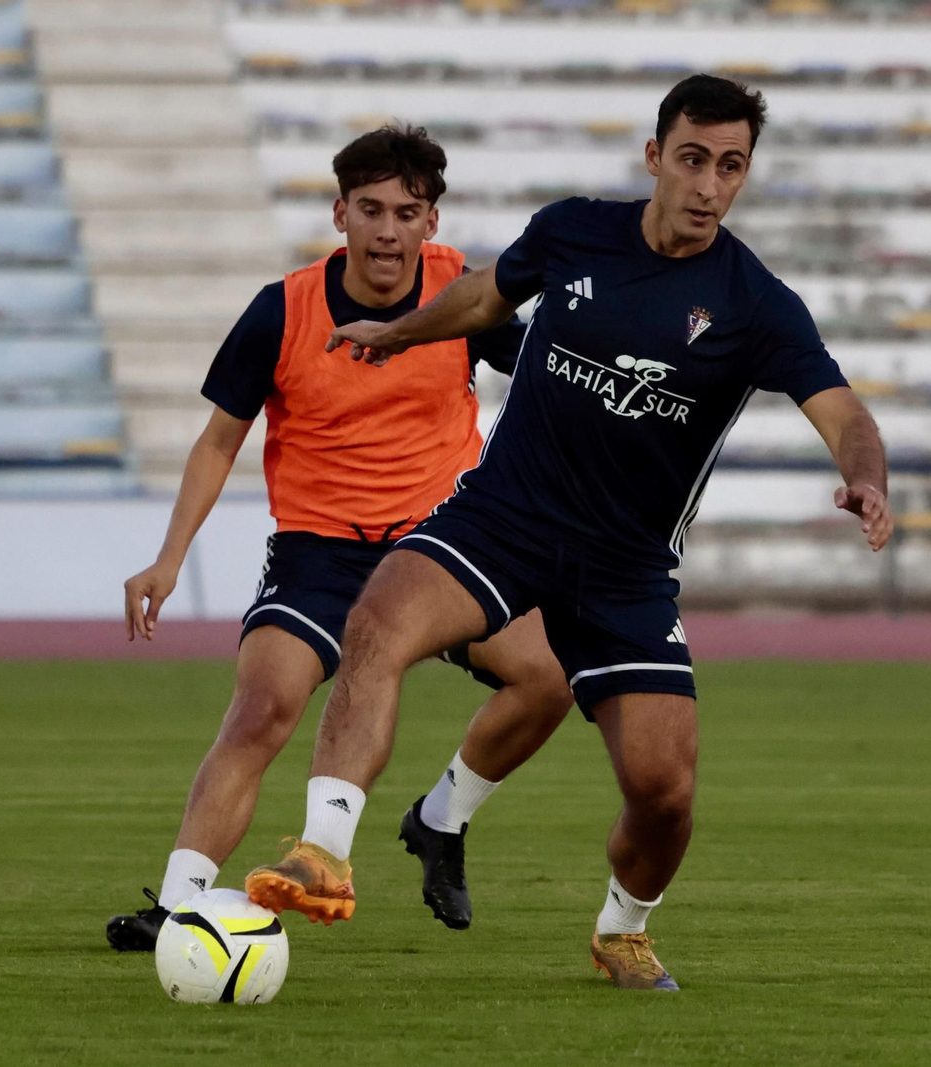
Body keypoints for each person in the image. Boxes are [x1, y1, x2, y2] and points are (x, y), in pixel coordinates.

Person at [240, 75, 894, 991]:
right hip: (507, 514)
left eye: (732, 166)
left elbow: (846, 415)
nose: (709, 185)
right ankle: (324, 852)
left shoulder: (756, 303)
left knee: (664, 794)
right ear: (656, 156)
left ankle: (621, 930)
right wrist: (399, 333)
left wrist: (864, 478)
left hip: (625, 570)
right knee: (378, 622)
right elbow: (481, 301)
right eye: (694, 159)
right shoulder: (574, 229)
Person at [105, 126, 572, 951]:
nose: (388, 230)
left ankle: (441, 819)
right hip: (323, 551)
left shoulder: (462, 296)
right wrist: (169, 557)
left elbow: (550, 381)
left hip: (443, 546)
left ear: (431, 222)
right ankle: (178, 905)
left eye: (407, 212)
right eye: (371, 211)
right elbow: (220, 440)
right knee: (260, 709)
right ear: (340, 215)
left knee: (549, 678)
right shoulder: (281, 309)